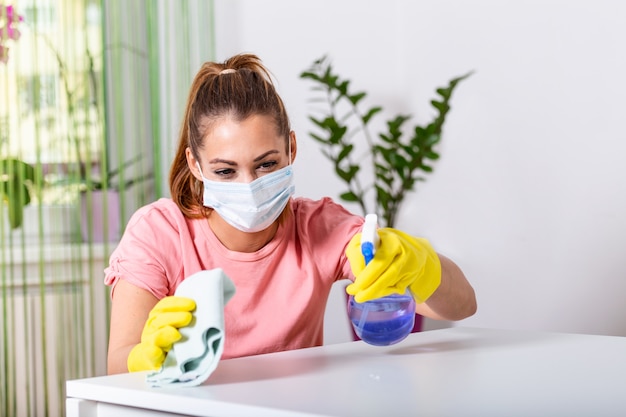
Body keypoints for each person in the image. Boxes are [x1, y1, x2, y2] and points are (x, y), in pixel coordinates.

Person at [105, 53, 477, 375]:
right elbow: (117, 364)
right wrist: (144, 357)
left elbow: (461, 306)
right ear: (195, 163)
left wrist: (421, 263)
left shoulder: (320, 228)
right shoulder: (158, 233)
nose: (249, 185)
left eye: (266, 164)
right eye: (225, 171)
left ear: (291, 149)